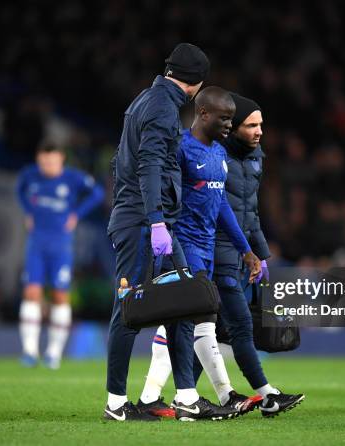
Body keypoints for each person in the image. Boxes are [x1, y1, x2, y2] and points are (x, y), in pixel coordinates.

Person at [141, 94, 305, 417]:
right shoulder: (181, 148)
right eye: (225, 119)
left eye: (233, 120)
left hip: (208, 249)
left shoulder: (218, 153)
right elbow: (156, 185)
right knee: (188, 321)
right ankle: (189, 397)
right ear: (203, 114)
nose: (229, 125)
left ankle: (192, 396)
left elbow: (223, 207)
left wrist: (249, 250)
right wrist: (156, 226)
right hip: (184, 245)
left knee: (201, 322)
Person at [105, 43, 240, 422]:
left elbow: (120, 159)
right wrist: (155, 221)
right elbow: (148, 166)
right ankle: (116, 403)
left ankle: (185, 397)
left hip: (144, 217)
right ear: (196, 84)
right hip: (145, 223)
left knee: (186, 301)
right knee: (129, 309)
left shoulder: (144, 100)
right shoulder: (164, 110)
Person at [16, 142, 104, 370]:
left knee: (60, 295)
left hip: (61, 246)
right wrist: (27, 211)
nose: (48, 166)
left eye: (52, 161)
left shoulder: (73, 178)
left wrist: (76, 214)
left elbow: (98, 193)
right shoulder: (30, 176)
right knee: (31, 292)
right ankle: (29, 351)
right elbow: (19, 189)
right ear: (38, 160)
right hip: (36, 243)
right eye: (44, 162)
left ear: (61, 159)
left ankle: (53, 353)